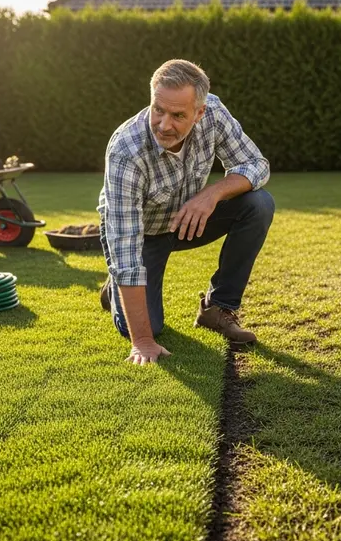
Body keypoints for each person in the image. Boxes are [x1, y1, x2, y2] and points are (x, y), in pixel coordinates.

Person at [97, 59, 274, 364]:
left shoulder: (214, 113)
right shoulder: (126, 151)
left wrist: (212, 193)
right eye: (158, 110)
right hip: (141, 236)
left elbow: (256, 165)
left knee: (259, 204)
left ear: (199, 112)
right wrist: (142, 341)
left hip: (189, 219)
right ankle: (116, 290)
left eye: (178, 115)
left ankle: (218, 308)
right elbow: (125, 251)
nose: (165, 125)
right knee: (149, 327)